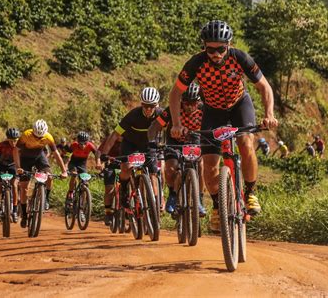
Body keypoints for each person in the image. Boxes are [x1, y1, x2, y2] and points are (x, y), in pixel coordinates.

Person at [168, 20, 278, 232]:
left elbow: (264, 87)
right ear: (204, 47)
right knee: (209, 164)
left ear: (229, 44)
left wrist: (269, 114)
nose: (216, 54)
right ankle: (218, 206)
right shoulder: (196, 63)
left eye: (221, 49)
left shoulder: (240, 57)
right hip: (212, 110)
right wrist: (176, 124)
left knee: (246, 144)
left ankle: (251, 192)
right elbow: (175, 94)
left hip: (239, 104)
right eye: (210, 49)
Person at [147, 82, 206, 217]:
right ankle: (173, 194)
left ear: (199, 101)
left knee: (201, 164)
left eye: (194, 103)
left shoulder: (204, 110)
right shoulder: (173, 109)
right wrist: (152, 143)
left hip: (194, 139)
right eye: (186, 103)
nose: (190, 107)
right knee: (171, 168)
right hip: (174, 141)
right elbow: (154, 127)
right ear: (181, 101)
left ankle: (199, 199)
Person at [100, 87, 163, 212]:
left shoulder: (161, 114)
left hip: (148, 145)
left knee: (153, 172)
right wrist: (104, 154)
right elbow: (115, 135)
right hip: (131, 144)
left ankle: (156, 201)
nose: (148, 109)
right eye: (145, 106)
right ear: (141, 104)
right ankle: (124, 191)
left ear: (157, 105)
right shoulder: (133, 115)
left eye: (152, 106)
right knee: (126, 167)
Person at [17, 119, 68, 228]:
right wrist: (18, 167)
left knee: (49, 177)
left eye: (41, 137)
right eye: (36, 136)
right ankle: (24, 215)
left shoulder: (49, 137)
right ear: (33, 132)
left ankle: (46, 199)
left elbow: (56, 154)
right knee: (24, 186)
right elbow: (15, 151)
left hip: (39, 157)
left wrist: (64, 171)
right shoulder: (26, 135)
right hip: (25, 158)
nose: (38, 139)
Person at [65, 131, 102, 208]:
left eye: (85, 143)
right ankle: (71, 193)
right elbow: (68, 155)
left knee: (85, 183)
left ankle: (82, 206)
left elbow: (97, 153)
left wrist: (98, 163)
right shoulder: (73, 145)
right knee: (74, 175)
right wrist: (65, 166)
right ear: (78, 142)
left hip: (82, 164)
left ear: (87, 142)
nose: (83, 145)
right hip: (73, 163)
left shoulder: (90, 145)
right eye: (80, 143)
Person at [99, 136, 122, 226]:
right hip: (110, 165)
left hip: (124, 164)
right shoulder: (110, 138)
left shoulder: (130, 137)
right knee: (109, 189)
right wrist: (98, 162)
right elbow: (99, 151)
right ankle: (108, 213)